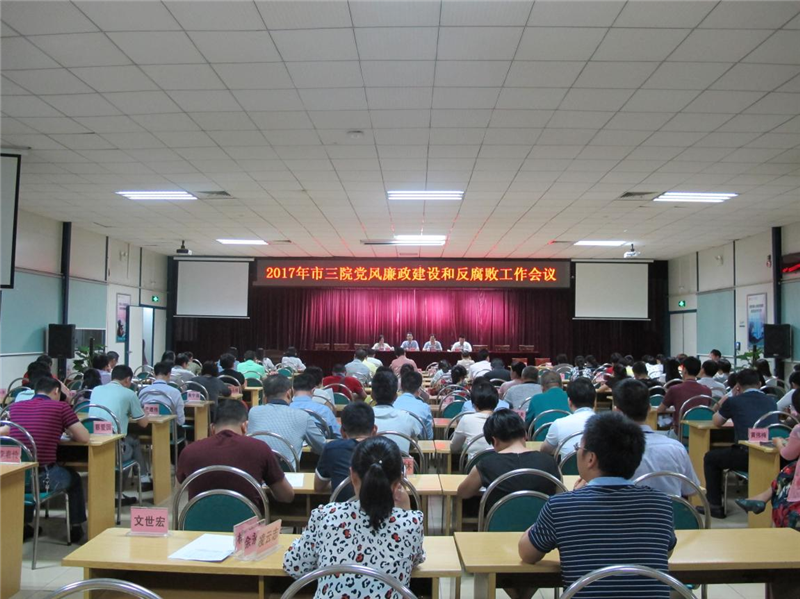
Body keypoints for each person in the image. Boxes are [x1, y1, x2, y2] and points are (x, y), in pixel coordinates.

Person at [518, 411, 677, 598]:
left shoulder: (561, 506)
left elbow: (527, 553)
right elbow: (665, 552)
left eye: (578, 447)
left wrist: (572, 497)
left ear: (591, 458)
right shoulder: (661, 504)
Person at [284, 437, 425, 599]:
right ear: (399, 481)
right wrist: (406, 512)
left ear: (352, 475)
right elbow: (415, 561)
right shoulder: (412, 522)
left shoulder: (326, 516)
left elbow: (295, 566)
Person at [4, 377, 90, 543]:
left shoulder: (15, 407)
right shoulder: (61, 407)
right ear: (56, 391)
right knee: (75, 479)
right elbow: (84, 437)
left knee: (29, 473)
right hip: (44, 478)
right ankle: (75, 527)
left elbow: (7, 430)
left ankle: (24, 525)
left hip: (16, 477)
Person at [176, 400, 293, 508]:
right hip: (247, 523)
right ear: (245, 426)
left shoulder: (189, 451)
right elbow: (286, 496)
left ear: (212, 428)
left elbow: (181, 487)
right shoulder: (260, 448)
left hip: (198, 522)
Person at [704, 368, 779, 518]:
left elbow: (717, 422)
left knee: (710, 458)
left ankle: (715, 506)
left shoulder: (733, 401)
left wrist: (728, 397)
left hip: (746, 456)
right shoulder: (772, 401)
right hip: (772, 454)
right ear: (759, 383)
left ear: (737, 386)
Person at [613, 379, 700, 497]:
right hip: (669, 509)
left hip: (628, 508)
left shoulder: (610, 450)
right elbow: (692, 490)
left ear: (617, 411)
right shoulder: (676, 447)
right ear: (649, 409)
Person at [457, 409, 559, 510]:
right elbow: (560, 494)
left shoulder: (486, 464)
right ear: (525, 434)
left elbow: (463, 493)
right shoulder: (550, 461)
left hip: (499, 520)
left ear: (494, 441)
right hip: (544, 520)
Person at [736, 388, 800, 526]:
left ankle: (762, 499)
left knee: (790, 469)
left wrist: (778, 443)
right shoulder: (769, 400)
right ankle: (762, 498)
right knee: (791, 468)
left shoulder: (798, 429)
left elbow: (787, 454)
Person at [88, 365, 149, 503]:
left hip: (94, 441)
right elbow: (143, 423)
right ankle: (121, 491)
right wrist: (145, 413)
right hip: (114, 446)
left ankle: (142, 478)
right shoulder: (129, 394)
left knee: (130, 441)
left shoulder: (96, 389)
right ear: (127, 379)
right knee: (132, 442)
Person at [247, 374, 325, 470]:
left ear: (264, 396)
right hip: (287, 473)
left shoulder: (253, 412)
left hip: (255, 471)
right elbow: (322, 446)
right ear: (289, 393)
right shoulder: (302, 416)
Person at [314, 402, 377, 494]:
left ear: (342, 432)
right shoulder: (388, 448)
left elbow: (318, 487)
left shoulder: (332, 449)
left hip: (343, 503)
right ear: (374, 430)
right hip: (380, 503)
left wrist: (339, 484)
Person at [657, 356, 712, 437]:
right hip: (702, 436)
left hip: (679, 434)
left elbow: (660, 410)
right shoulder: (707, 391)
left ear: (684, 370)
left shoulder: (674, 389)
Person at [541, 377, 596, 458]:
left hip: (565, 466)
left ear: (569, 402)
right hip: (597, 466)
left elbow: (544, 450)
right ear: (594, 401)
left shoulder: (559, 424)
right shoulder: (607, 425)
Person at [371, 369, 423, 453]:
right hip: (399, 461)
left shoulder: (364, 418)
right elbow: (414, 443)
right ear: (395, 396)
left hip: (370, 461)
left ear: (372, 395)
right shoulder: (407, 417)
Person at [450, 380, 497, 460]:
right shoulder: (505, 420)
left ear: (474, 405)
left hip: (474, 466)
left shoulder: (466, 419)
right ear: (496, 402)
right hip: (501, 466)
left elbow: (454, 447)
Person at [289, 372, 340, 438]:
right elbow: (337, 434)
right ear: (313, 390)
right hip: (319, 443)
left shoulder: (286, 409)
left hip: (292, 443)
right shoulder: (324, 410)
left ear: (292, 390)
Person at [394, 371, 433, 440]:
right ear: (419, 388)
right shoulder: (425, 407)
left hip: (393, 443)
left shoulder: (392, 404)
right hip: (416, 445)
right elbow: (429, 437)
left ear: (401, 387)